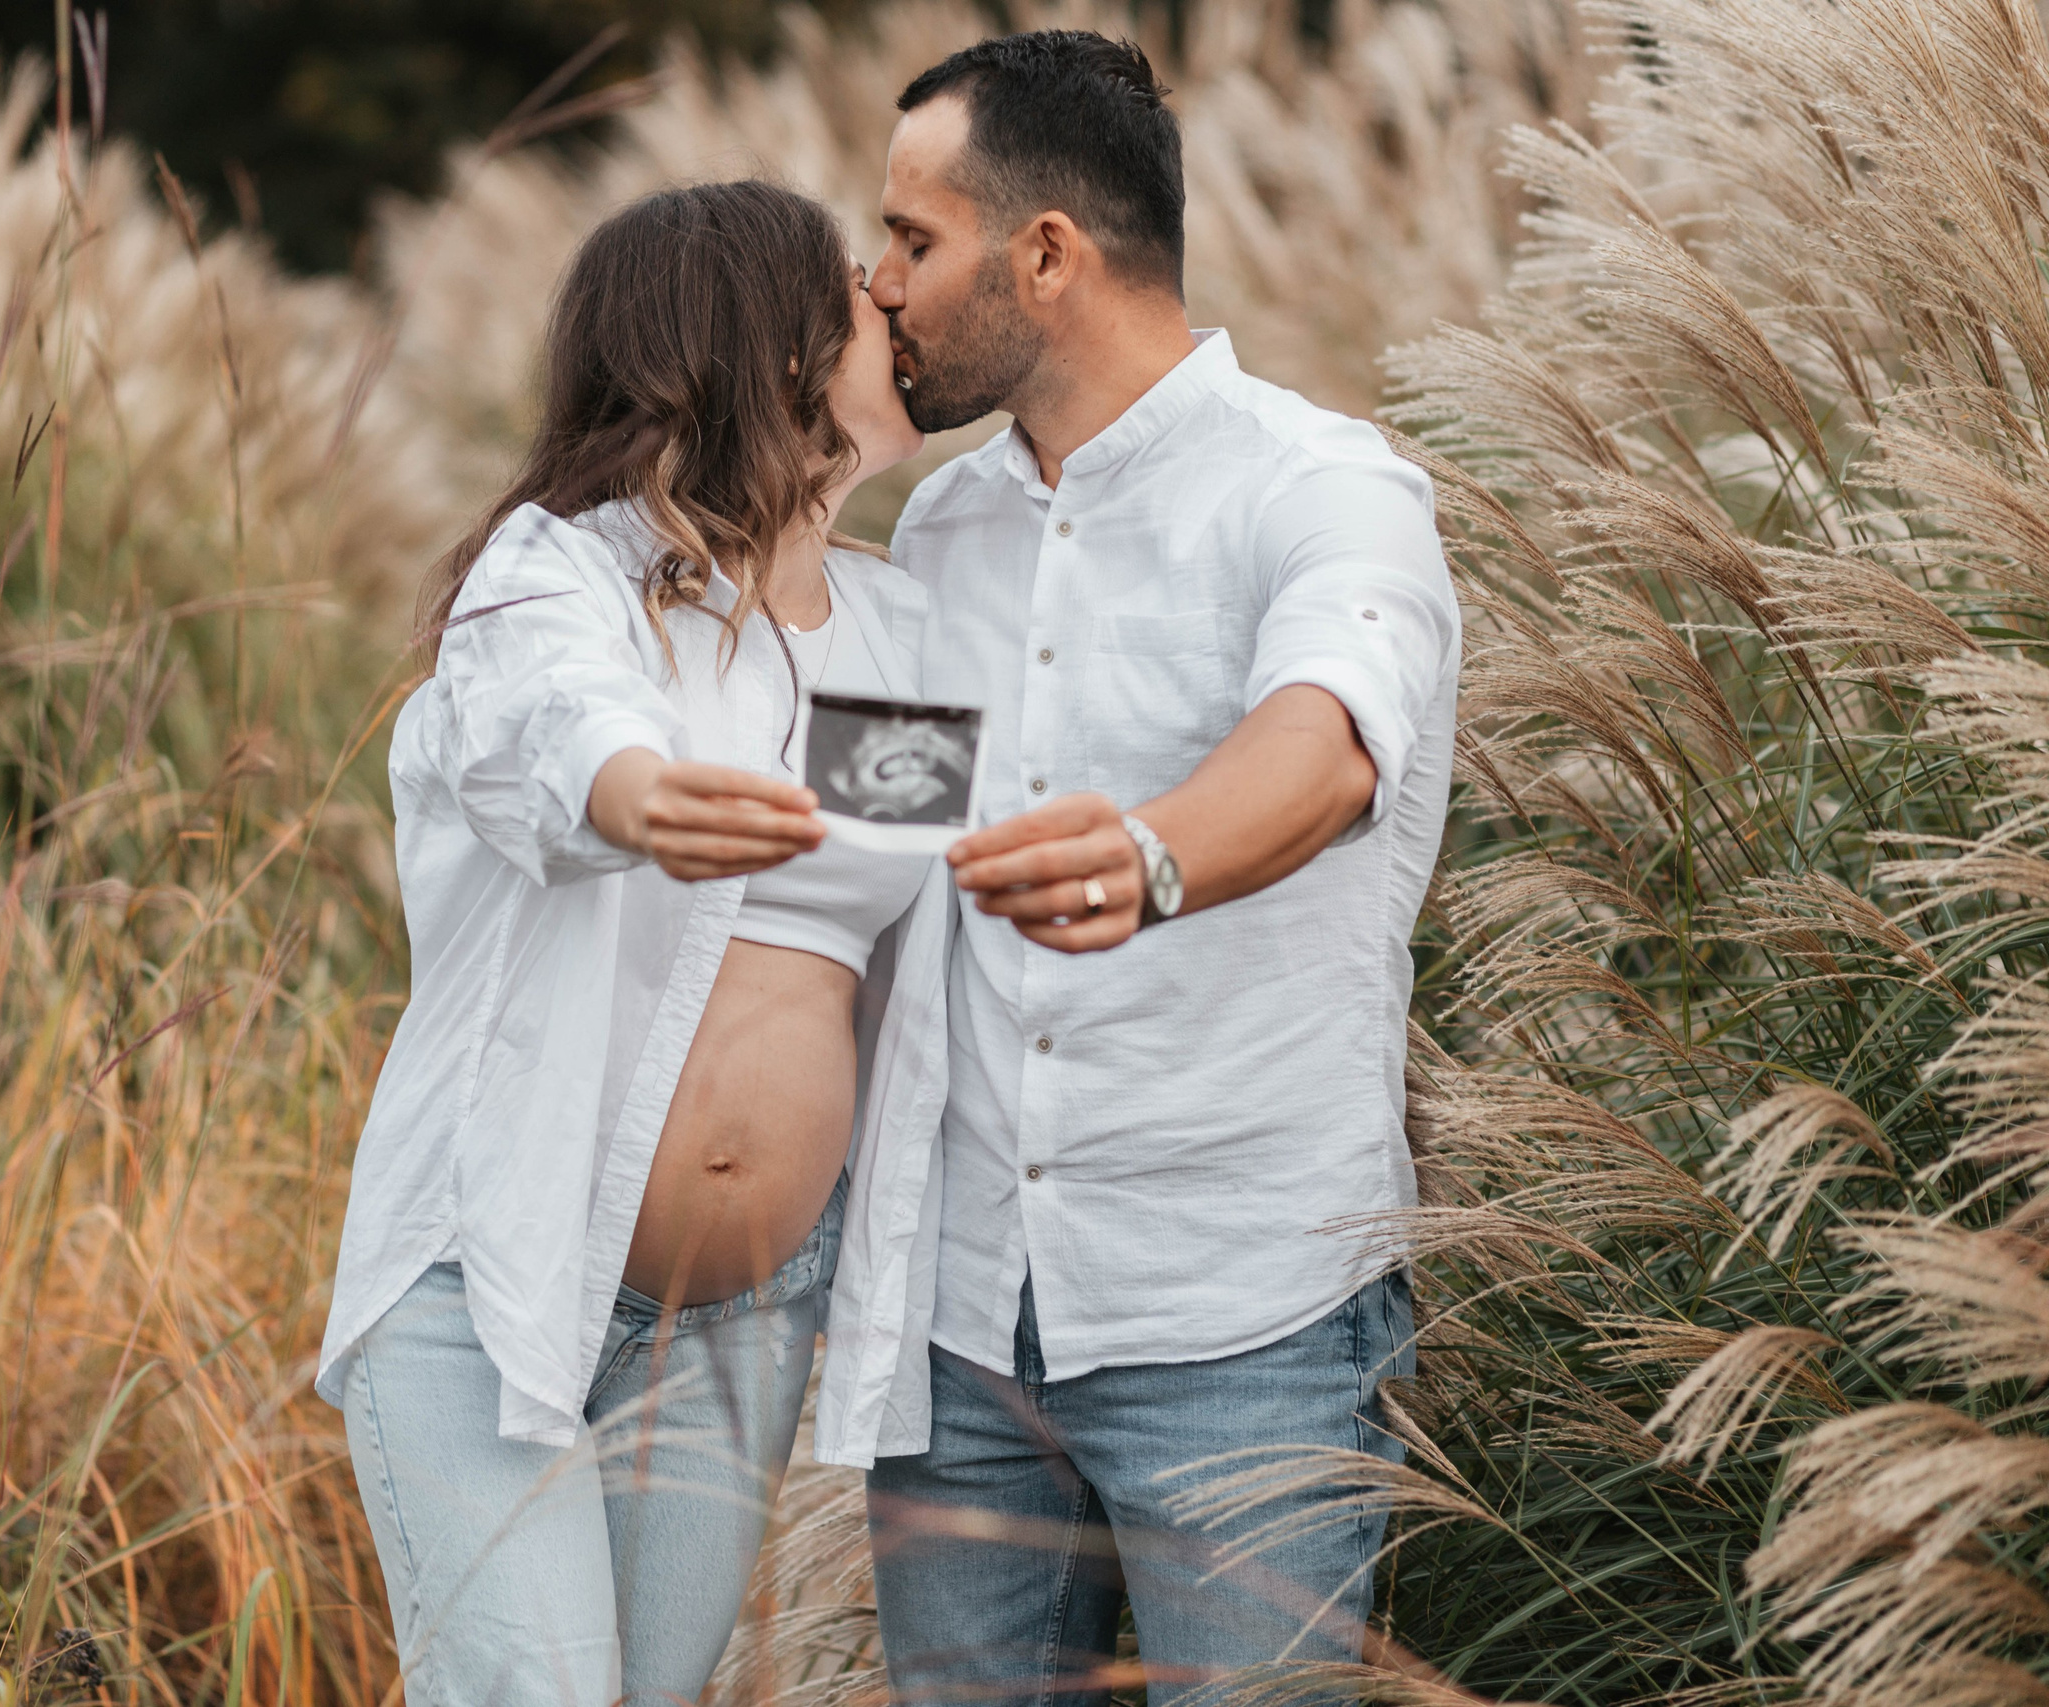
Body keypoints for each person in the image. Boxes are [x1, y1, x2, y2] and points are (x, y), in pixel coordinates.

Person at [861, 31, 1460, 1707]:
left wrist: (1153, 854)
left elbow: (1332, 737)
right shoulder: (937, 529)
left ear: (1045, 254)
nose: (877, 283)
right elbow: (872, 832)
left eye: (912, 242)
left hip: (1241, 1322)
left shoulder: (1327, 486)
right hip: (963, 1321)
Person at [314, 180, 957, 1707]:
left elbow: (909, 904)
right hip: (497, 1283)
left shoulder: (899, 639)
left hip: (734, 1326)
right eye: (862, 297)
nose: (894, 299)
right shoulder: (566, 576)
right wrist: (648, 798)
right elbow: (550, 732)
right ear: (772, 352)